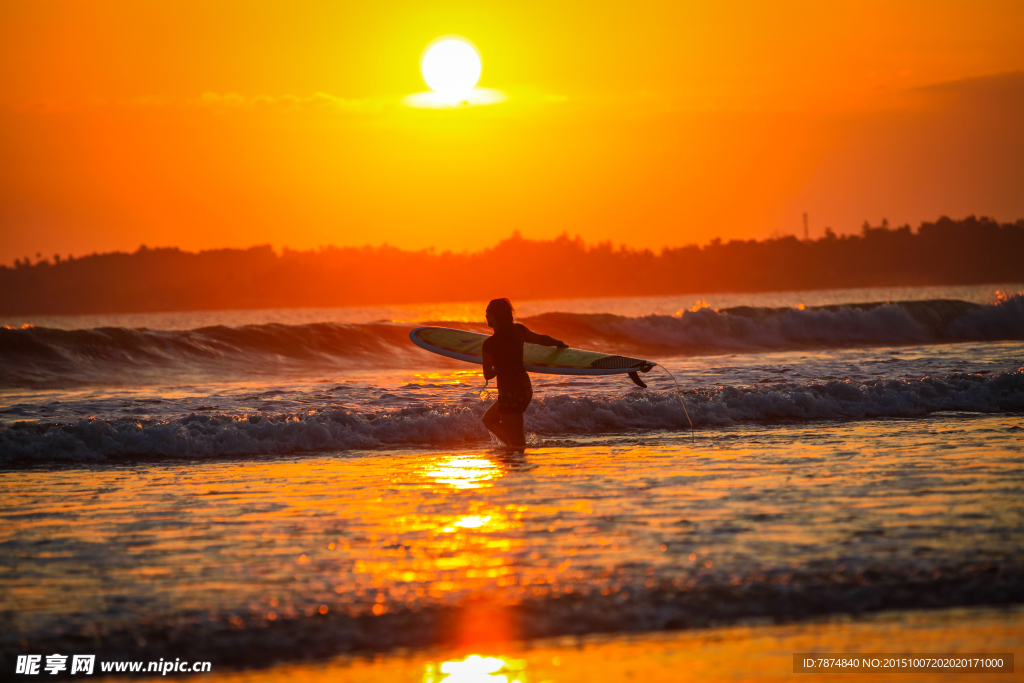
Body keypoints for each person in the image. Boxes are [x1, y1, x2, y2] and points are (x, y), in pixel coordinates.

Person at [481, 298, 567, 448]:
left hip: (509, 392)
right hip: (524, 389)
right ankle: (511, 446)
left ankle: (518, 459)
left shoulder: (489, 344)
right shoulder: (518, 331)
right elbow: (541, 339)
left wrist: (496, 367)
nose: (486, 316)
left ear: (494, 317)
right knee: (489, 420)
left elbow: (488, 374)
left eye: (487, 313)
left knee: (518, 441)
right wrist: (558, 343)